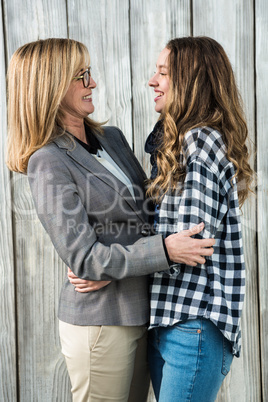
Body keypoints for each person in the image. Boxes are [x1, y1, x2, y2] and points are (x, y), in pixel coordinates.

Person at [6, 38, 215, 402]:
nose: (93, 84)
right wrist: (163, 252)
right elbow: (85, 259)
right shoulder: (49, 161)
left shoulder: (112, 139)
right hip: (99, 324)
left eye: (90, 73)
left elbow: (147, 213)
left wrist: (113, 265)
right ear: (51, 86)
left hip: (142, 314)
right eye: (81, 76)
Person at [144, 36, 254, 401]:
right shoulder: (181, 144)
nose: (152, 81)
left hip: (192, 326)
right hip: (170, 321)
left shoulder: (200, 140)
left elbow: (188, 245)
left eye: (163, 73)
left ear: (190, 83)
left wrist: (103, 262)